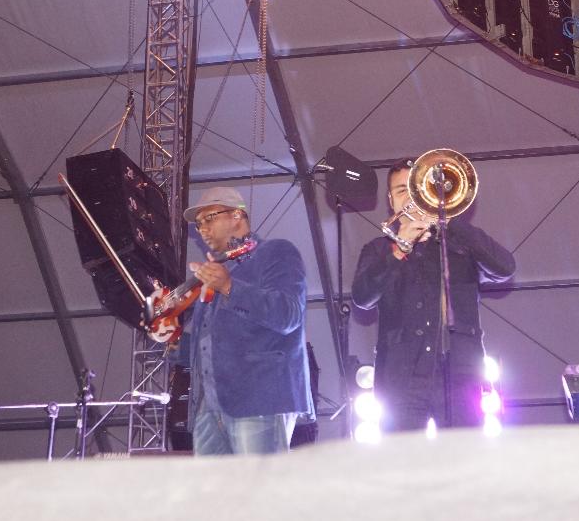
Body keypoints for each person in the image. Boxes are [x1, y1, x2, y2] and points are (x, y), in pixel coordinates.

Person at [351, 157, 516, 432]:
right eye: (402, 191)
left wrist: (451, 222)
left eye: (417, 190)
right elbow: (362, 297)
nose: (412, 199)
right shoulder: (378, 249)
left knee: (463, 456)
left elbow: (505, 267)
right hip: (401, 379)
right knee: (402, 458)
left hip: (459, 375)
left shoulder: (460, 246)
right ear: (391, 201)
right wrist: (399, 249)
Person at [175, 186, 313, 455]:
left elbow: (289, 314)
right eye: (198, 224)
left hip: (260, 399)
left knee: (260, 483)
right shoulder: (216, 273)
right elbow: (208, 344)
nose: (202, 229)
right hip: (209, 409)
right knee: (214, 486)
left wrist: (230, 287)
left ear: (237, 215)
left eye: (209, 218)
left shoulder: (276, 252)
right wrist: (172, 339)